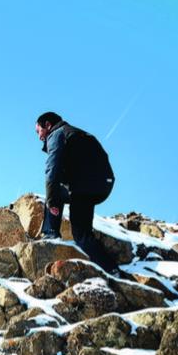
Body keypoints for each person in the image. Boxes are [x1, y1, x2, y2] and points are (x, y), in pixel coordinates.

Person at [36, 112, 120, 274]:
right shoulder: (78, 133)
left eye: (38, 131)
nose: (39, 136)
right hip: (102, 183)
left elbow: (52, 171)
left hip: (84, 186)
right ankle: (112, 269)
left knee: (54, 189)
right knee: (84, 233)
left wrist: (52, 202)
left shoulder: (56, 134)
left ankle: (50, 233)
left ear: (47, 125)